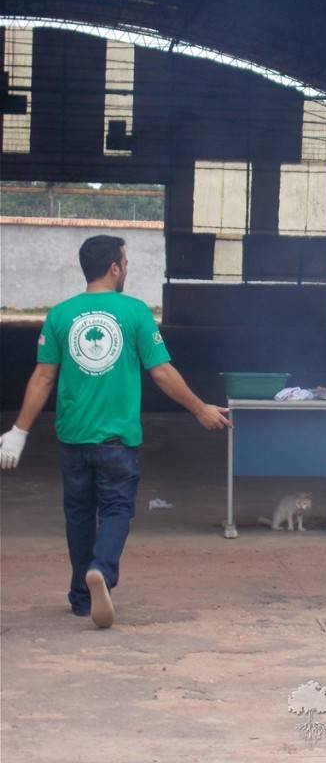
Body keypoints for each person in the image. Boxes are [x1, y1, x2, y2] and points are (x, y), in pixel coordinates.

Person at [0, 235, 231, 629]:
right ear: (114, 268)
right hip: (118, 440)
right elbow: (161, 372)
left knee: (78, 516)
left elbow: (43, 376)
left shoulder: (61, 315)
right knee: (117, 509)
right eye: (125, 261)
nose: (127, 268)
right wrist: (199, 408)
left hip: (73, 437)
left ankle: (79, 597)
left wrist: (19, 430)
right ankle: (101, 573)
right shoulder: (135, 313)